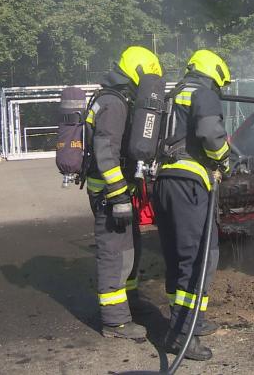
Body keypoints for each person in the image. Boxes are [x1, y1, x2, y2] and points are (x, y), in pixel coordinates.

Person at [151, 49, 231, 361]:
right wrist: (224, 159)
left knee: (177, 259)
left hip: (165, 184)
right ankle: (185, 336)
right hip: (189, 187)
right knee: (199, 259)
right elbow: (211, 134)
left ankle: (183, 322)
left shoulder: (172, 95)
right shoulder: (204, 93)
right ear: (215, 74)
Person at [85, 46, 163, 339]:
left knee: (130, 246)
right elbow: (106, 152)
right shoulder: (113, 103)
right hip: (109, 193)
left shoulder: (112, 97)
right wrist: (118, 194)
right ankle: (115, 321)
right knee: (113, 252)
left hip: (115, 189)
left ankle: (129, 301)